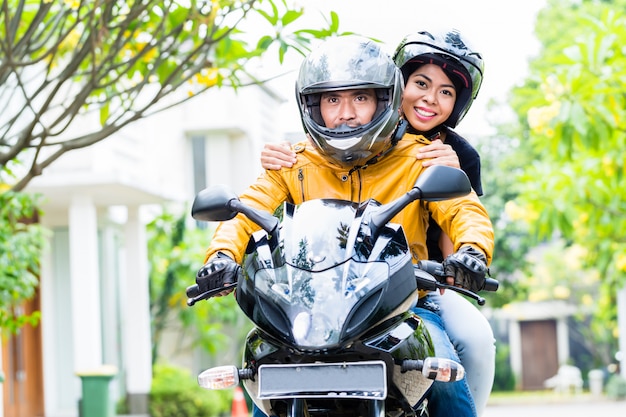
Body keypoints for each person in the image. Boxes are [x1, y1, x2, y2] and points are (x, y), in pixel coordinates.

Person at [198, 35, 494, 417]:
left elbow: (463, 209)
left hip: (403, 307)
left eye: (360, 98)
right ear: (313, 105)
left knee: (443, 379)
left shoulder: (419, 158)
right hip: (306, 310)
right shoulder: (292, 162)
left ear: (384, 101)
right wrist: (220, 256)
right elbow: (247, 209)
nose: (346, 112)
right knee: (264, 381)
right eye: (332, 99)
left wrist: (472, 251)